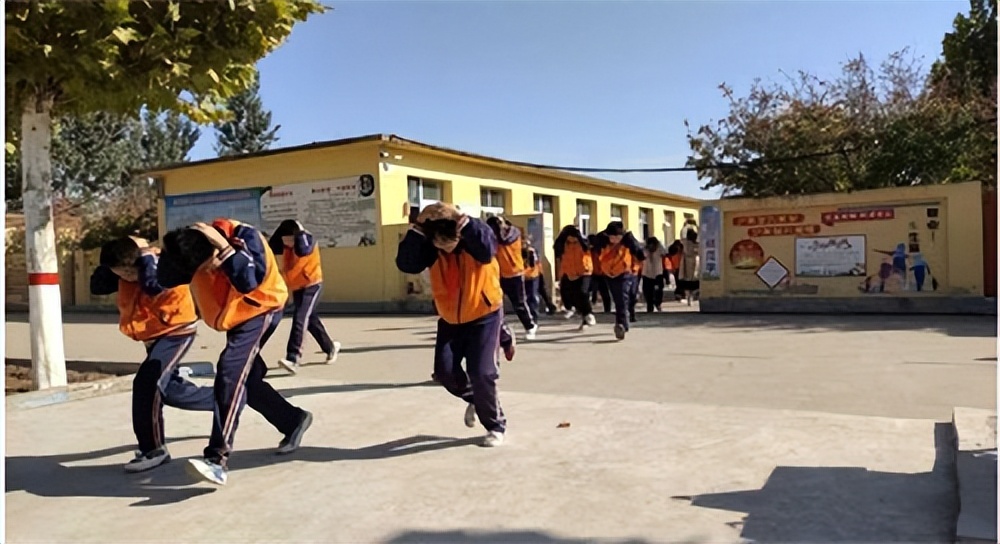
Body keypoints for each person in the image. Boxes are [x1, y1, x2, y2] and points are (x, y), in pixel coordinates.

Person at [158, 219, 314, 485]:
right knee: (247, 379)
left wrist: (224, 249)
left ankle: (216, 460)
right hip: (235, 316)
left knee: (230, 371)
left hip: (261, 309)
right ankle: (292, 419)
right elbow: (164, 279)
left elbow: (248, 281)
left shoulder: (245, 237)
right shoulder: (192, 249)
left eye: (210, 263)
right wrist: (165, 253)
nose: (211, 269)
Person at [89, 236, 215, 474]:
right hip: (154, 335)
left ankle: (153, 449)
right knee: (169, 390)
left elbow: (152, 286)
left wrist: (145, 256)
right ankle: (226, 399)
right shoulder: (125, 270)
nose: (126, 277)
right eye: (120, 272)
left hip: (177, 330)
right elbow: (97, 286)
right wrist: (111, 267)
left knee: (147, 383)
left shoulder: (158, 263)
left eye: (128, 271)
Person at [396, 203, 507, 447]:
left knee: (482, 372)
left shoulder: (475, 240)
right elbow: (406, 263)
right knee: (445, 373)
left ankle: (495, 425)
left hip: (483, 313)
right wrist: (417, 228)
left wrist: (459, 218)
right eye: (440, 243)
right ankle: (478, 400)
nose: (445, 247)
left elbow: (488, 249)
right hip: (449, 318)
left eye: (450, 242)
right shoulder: (431, 248)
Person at [268, 220, 341, 374]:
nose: (286, 243)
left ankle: (293, 358)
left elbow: (303, 250)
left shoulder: (306, 239)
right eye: (284, 239)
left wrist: (299, 231)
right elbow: (271, 246)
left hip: (312, 285)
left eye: (289, 239)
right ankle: (330, 347)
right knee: (311, 321)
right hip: (298, 287)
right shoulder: (286, 243)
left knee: (300, 318)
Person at [486, 216, 538, 340]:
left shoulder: (513, 233)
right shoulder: (496, 237)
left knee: (519, 303)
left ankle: (530, 326)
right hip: (500, 274)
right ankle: (497, 330)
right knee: (494, 302)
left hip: (515, 273)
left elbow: (505, 239)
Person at [594, 222, 645, 340]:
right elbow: (592, 244)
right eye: (612, 237)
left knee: (622, 299)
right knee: (618, 299)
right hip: (609, 274)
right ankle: (623, 323)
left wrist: (635, 268)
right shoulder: (602, 241)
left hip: (624, 273)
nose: (615, 239)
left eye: (618, 237)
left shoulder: (628, 242)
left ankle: (621, 325)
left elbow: (640, 255)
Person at [554, 225, 596, 330]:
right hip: (569, 272)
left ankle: (588, 314)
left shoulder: (583, 242)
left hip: (584, 272)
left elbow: (589, 247)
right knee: (569, 293)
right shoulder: (563, 244)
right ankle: (575, 311)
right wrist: (560, 275)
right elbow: (560, 258)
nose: (572, 239)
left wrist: (580, 237)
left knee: (583, 293)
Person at [641, 237, 668, 313]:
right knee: (647, 291)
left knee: (658, 290)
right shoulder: (645, 249)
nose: (651, 247)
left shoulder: (659, 249)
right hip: (646, 273)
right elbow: (642, 255)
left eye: (653, 245)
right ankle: (650, 306)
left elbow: (665, 253)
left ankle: (658, 303)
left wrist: (659, 244)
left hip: (658, 273)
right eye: (650, 245)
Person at [588, 234, 612, 313]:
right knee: (589, 291)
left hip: (601, 274)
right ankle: (590, 307)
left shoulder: (603, 250)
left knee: (604, 293)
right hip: (594, 273)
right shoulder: (592, 251)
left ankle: (607, 309)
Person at [522, 239, 542, 323]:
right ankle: (529, 316)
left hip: (533, 276)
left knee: (533, 296)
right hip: (523, 277)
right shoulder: (518, 252)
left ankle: (534, 317)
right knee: (525, 297)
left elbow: (532, 263)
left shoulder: (531, 252)